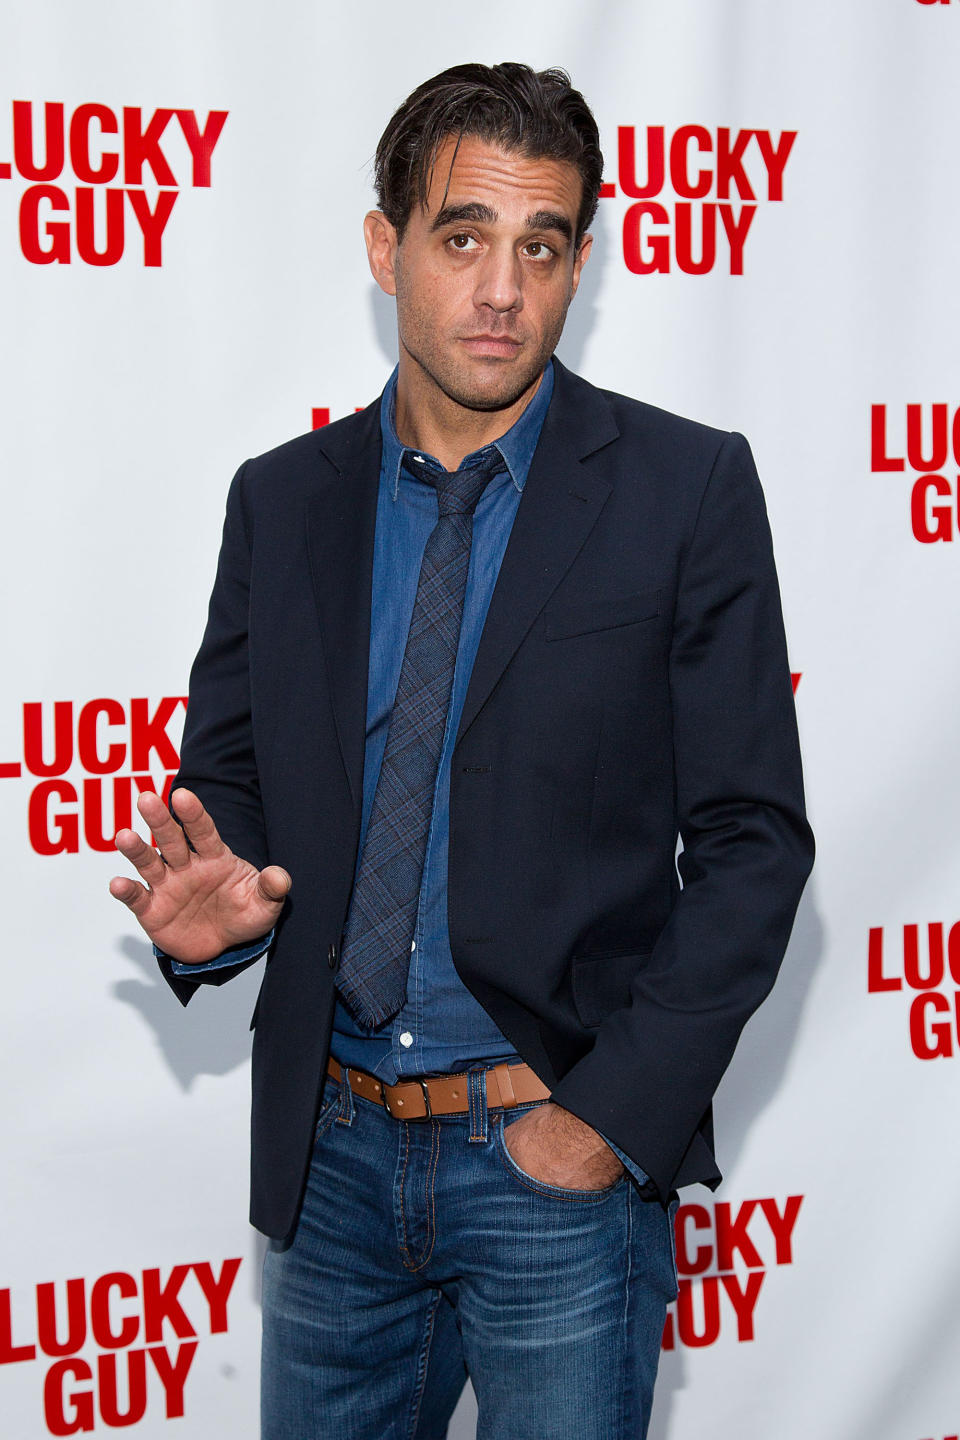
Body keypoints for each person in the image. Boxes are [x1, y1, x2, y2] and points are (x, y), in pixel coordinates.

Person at [109, 61, 814, 1439]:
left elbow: (753, 845)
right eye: (463, 236)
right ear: (387, 249)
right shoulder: (282, 503)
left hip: (551, 1152)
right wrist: (217, 916)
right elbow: (234, 775)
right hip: (333, 1160)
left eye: (541, 245)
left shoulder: (685, 491)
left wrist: (606, 1123)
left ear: (578, 265)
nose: (503, 289)